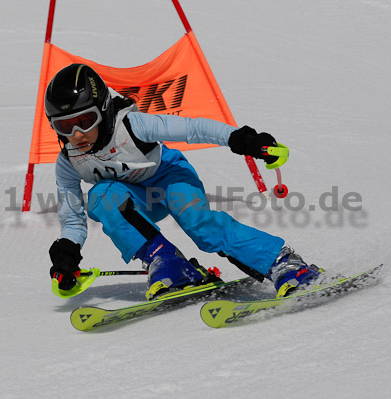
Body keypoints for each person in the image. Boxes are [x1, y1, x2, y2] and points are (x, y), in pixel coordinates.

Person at [45, 63, 322, 300]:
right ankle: (166, 262)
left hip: (169, 177)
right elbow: (72, 218)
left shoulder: (132, 126)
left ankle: (284, 263)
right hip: (137, 201)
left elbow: (194, 128)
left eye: (85, 120)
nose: (78, 134)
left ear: (104, 110)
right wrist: (67, 252)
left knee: (198, 224)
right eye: (65, 126)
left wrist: (243, 139)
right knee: (102, 196)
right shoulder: (69, 162)